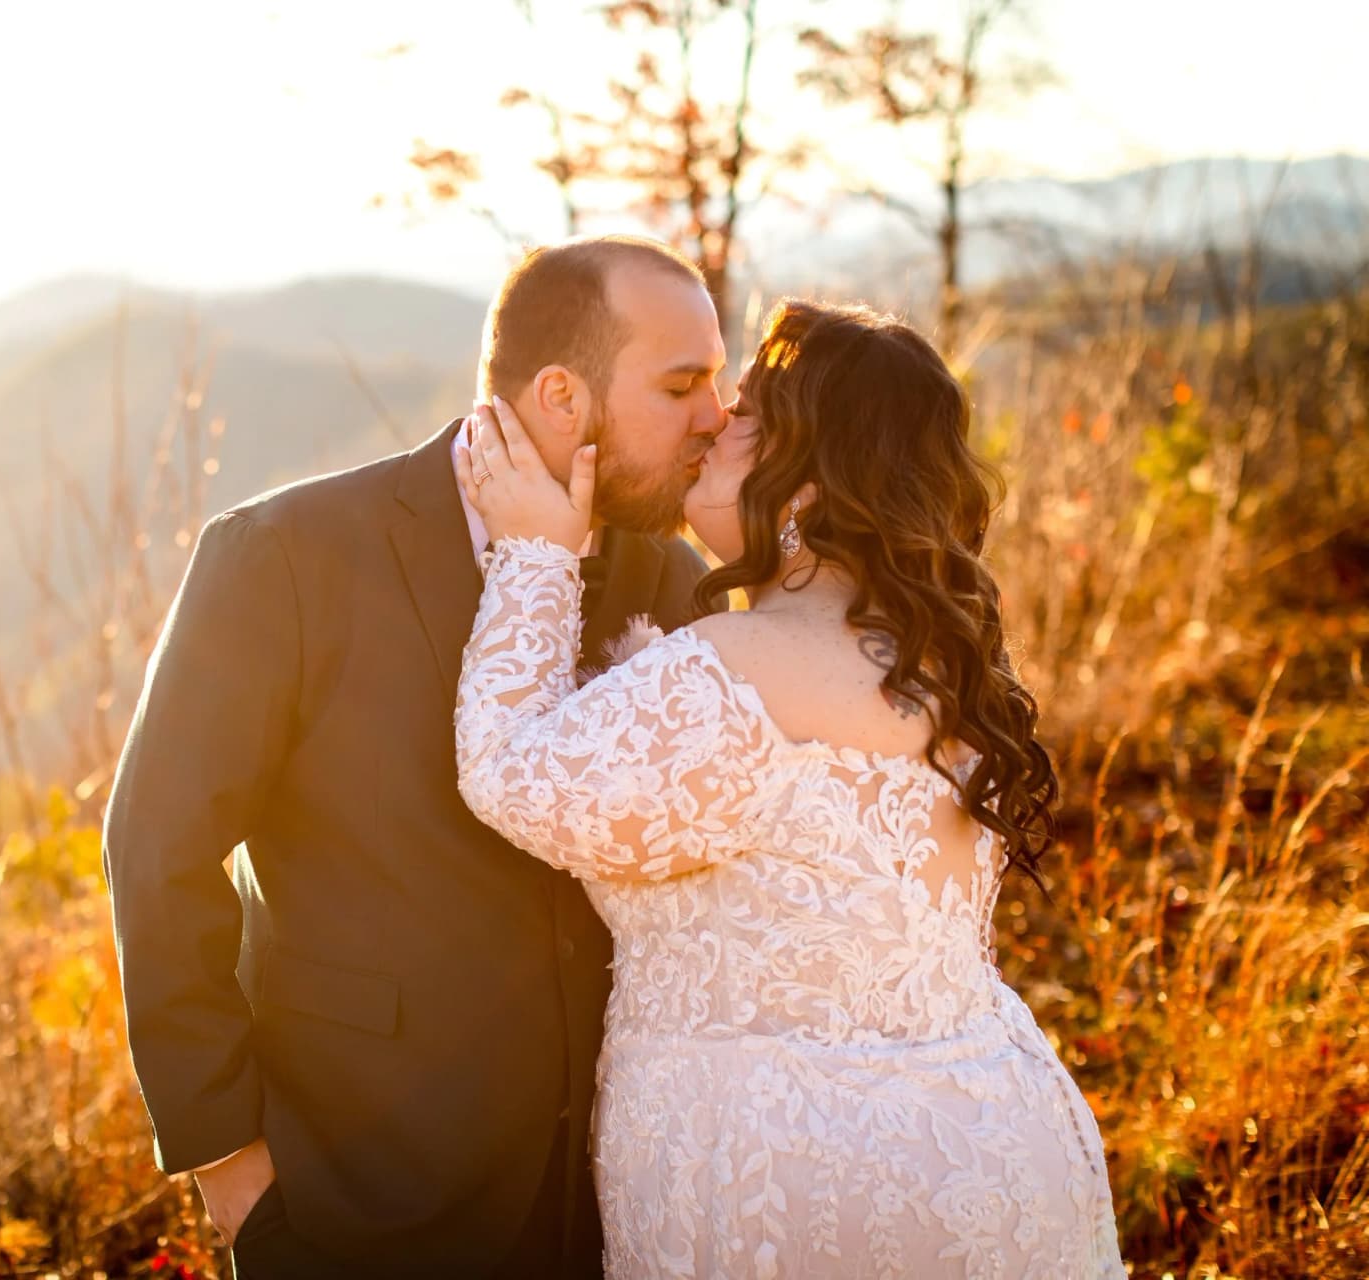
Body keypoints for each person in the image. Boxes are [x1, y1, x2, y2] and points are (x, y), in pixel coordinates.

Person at [453, 298, 1125, 1278]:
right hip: (995, 1145)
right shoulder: (941, 663)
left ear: (808, 486)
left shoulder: (737, 668)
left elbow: (511, 770)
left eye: (750, 417)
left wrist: (535, 554)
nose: (714, 423)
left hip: (791, 1179)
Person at [102, 235, 727, 1277]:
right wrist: (229, 1166)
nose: (717, 413)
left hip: (610, 1199)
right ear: (563, 396)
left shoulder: (665, 575)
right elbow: (154, 846)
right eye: (683, 384)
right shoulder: (286, 558)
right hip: (357, 1192)